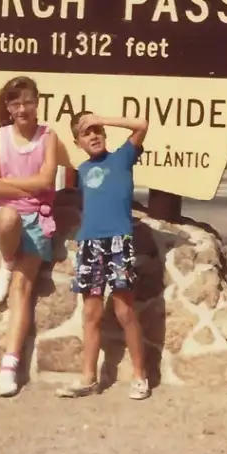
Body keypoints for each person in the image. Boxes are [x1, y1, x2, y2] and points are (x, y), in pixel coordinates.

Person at [55, 110, 152, 402]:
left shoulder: (122, 157)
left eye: (97, 130)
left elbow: (142, 125)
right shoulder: (82, 171)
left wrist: (103, 118)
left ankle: (140, 376)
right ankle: (88, 377)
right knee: (91, 312)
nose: (94, 135)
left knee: (124, 311)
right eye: (86, 132)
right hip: (89, 243)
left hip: (118, 241)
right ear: (78, 142)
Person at [0, 75, 59, 398]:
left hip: (39, 220)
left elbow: (48, 180)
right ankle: (6, 260)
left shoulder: (48, 136)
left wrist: (11, 182)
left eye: (28, 101)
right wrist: (30, 184)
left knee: (22, 290)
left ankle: (9, 366)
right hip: (10, 218)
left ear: (37, 102)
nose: (23, 108)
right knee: (9, 216)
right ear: (9, 107)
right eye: (16, 102)